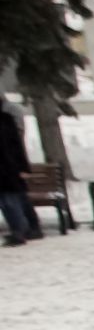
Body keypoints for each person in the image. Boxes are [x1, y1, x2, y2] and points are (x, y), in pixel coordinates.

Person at [0, 98, 30, 246]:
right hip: (7, 169)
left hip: (8, 168)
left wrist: (23, 167)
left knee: (10, 202)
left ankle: (19, 231)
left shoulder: (6, 120)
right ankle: (17, 230)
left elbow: (16, 145)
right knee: (6, 203)